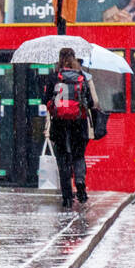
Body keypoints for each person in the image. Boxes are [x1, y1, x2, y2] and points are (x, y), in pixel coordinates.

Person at [42, 48, 98, 210]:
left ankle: (67, 198)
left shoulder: (54, 77)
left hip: (59, 123)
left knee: (63, 160)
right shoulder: (82, 76)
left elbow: (45, 100)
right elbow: (91, 102)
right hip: (78, 123)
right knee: (78, 156)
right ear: (74, 59)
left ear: (60, 59)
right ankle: (80, 182)